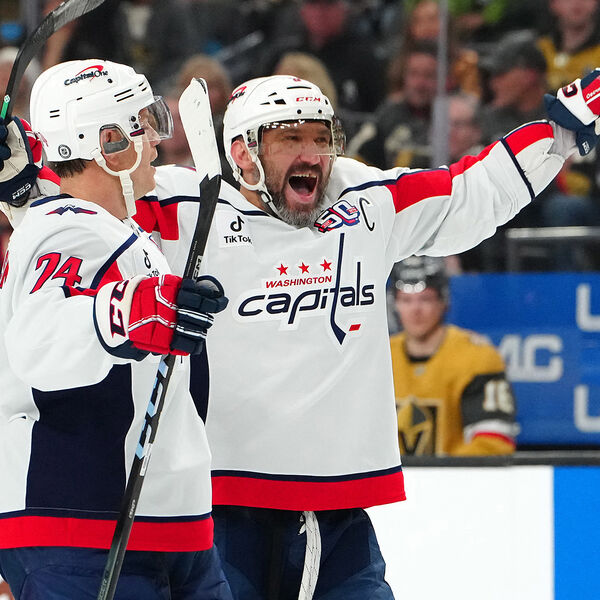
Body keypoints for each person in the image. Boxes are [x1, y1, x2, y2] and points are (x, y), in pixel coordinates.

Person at [3, 68, 600, 599]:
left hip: (338, 513)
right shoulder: (183, 206)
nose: (312, 153)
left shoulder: (368, 202)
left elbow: (473, 192)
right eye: (289, 138)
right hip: (220, 509)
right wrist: (23, 181)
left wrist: (561, 130)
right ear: (241, 150)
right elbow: (85, 211)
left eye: (320, 137)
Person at [0, 60, 231, 599]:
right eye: (143, 124)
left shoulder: (98, 227)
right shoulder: (67, 231)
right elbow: (40, 341)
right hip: (82, 524)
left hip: (160, 521)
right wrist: (126, 311)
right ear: (107, 143)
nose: (156, 140)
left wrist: (23, 189)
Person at [389, 256, 517, 456]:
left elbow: (493, 442)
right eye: (406, 300)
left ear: (443, 301)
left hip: (457, 475)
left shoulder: (477, 357)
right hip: (391, 476)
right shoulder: (378, 358)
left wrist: (447, 472)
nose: (415, 310)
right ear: (394, 304)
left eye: (425, 299)